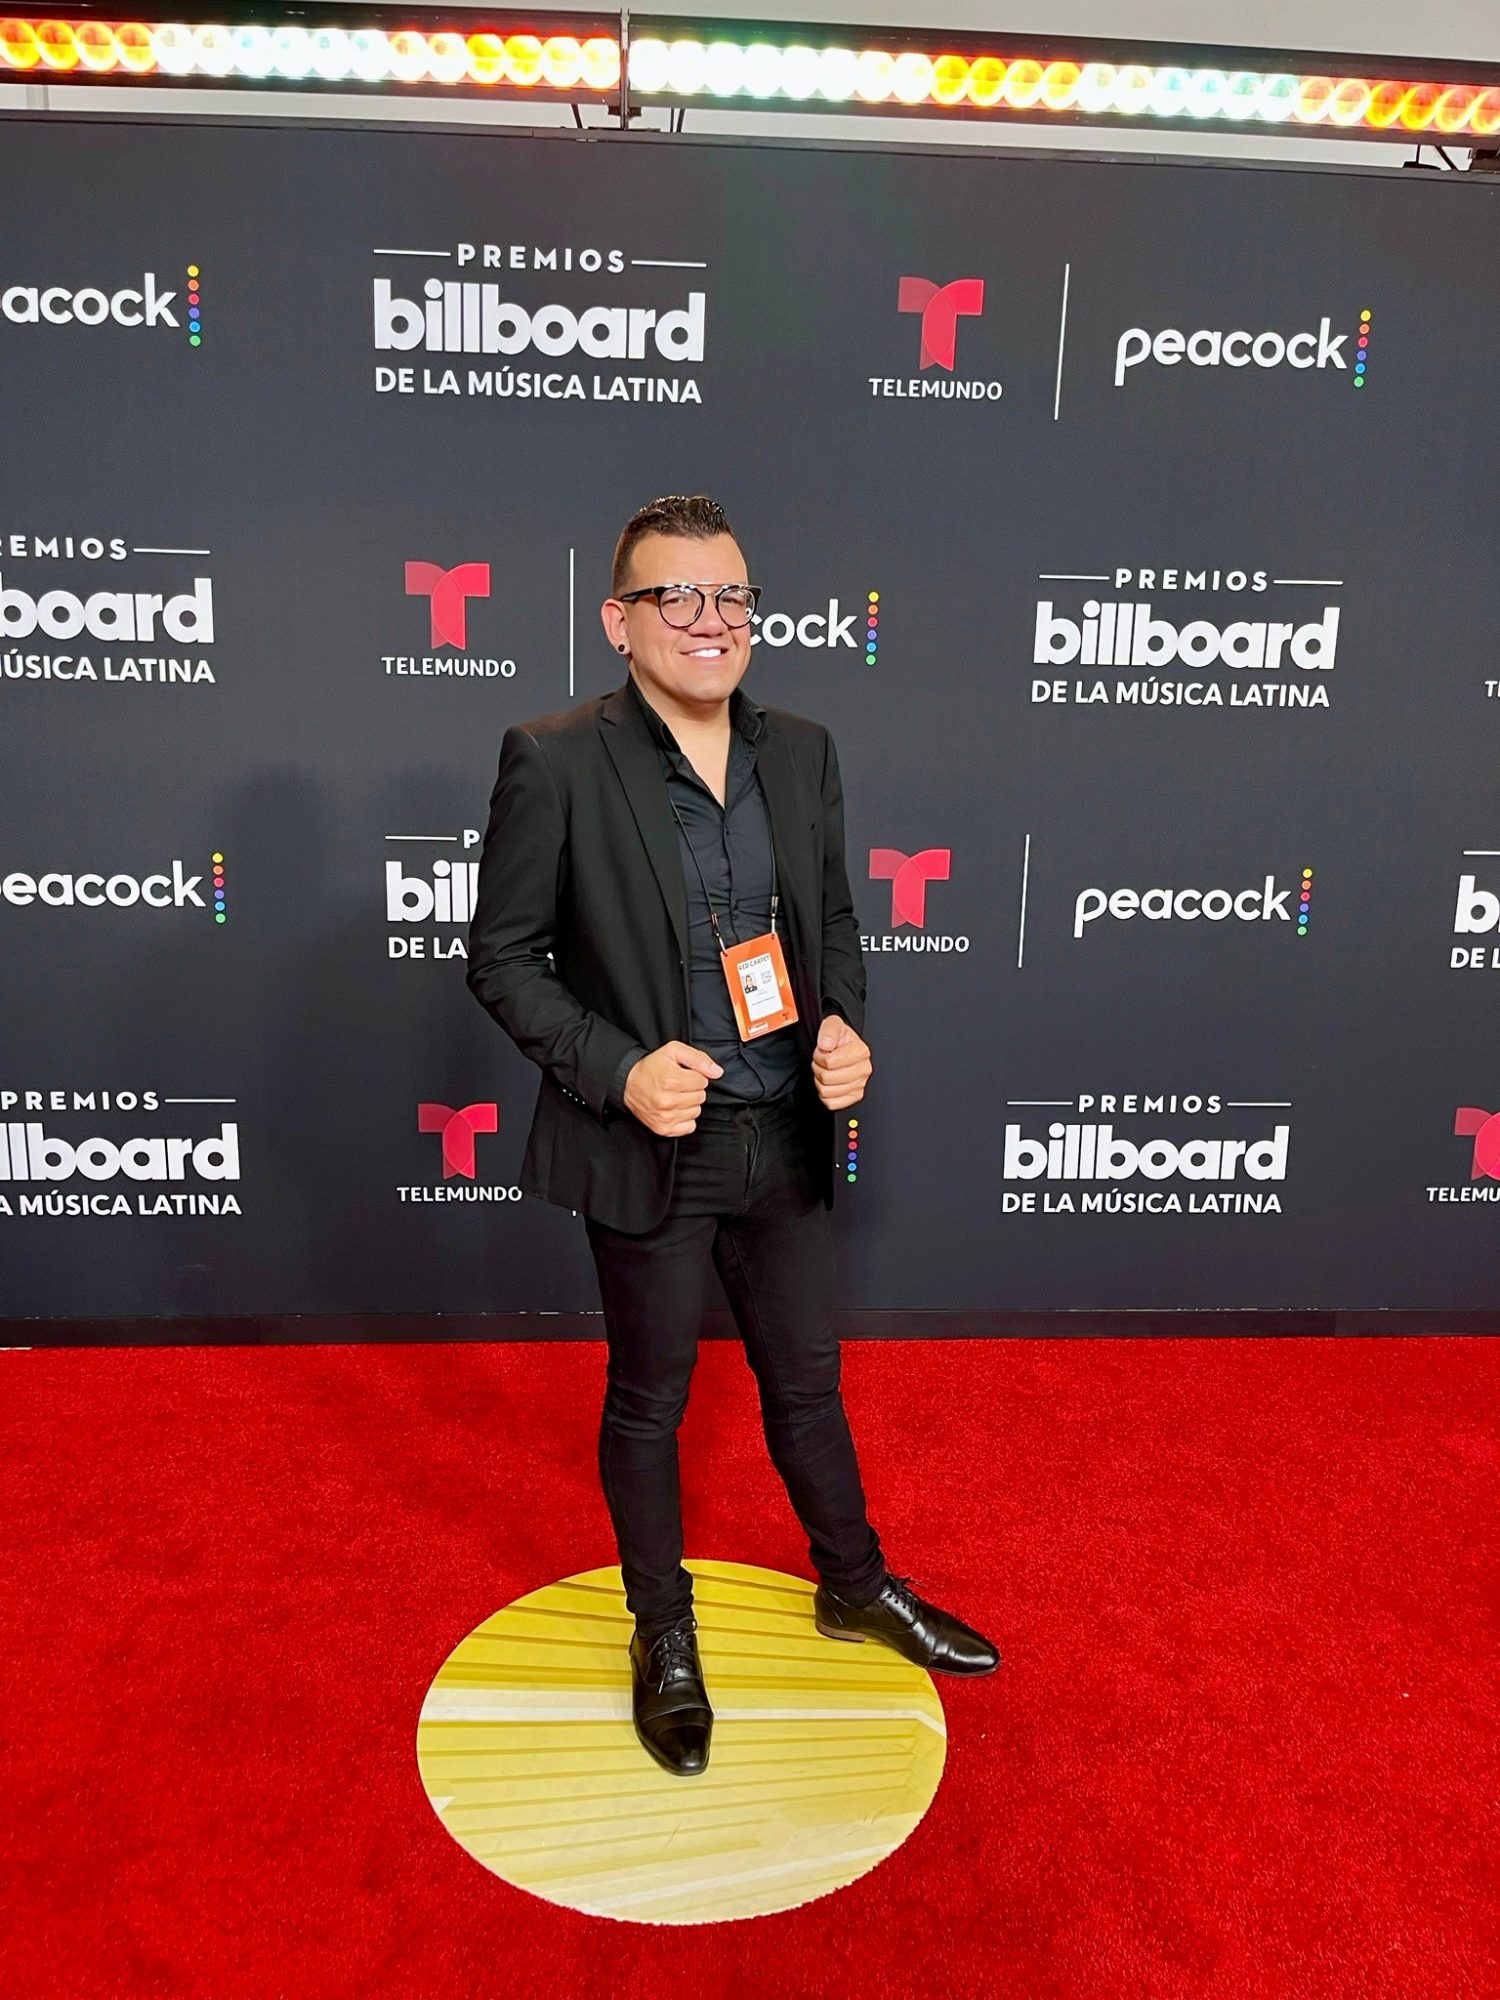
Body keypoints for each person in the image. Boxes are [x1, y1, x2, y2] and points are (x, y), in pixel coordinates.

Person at [467, 494, 998, 1777]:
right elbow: (504, 959)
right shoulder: (554, 757)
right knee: (650, 1400)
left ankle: (854, 1582)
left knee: (807, 1382)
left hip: (785, 1130)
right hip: (656, 1137)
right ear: (620, 620)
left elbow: (835, 924)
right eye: (677, 596)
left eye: (732, 596)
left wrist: (842, 1025)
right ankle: (664, 1633)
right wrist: (620, 1068)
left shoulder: (802, 751)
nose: (710, 620)